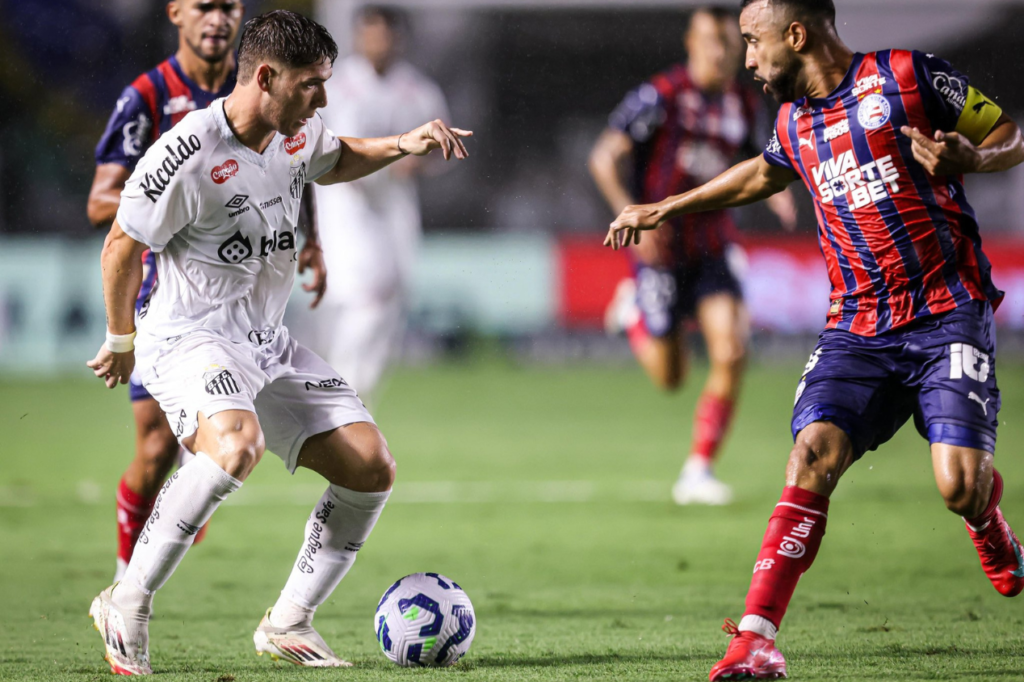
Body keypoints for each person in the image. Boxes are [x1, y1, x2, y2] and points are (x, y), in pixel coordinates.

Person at [603, 0, 1024, 678]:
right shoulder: (793, 121)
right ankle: (756, 638)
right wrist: (666, 207)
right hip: (856, 325)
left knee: (958, 487)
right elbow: (763, 171)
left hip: (946, 310)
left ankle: (985, 517)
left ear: (795, 35)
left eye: (753, 41)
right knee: (810, 456)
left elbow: (1008, 130)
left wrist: (974, 154)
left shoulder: (909, 77)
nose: (747, 58)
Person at [86, 9, 471, 674]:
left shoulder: (298, 132)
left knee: (370, 466)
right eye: (311, 85)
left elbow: (335, 155)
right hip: (188, 338)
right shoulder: (189, 151)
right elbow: (121, 241)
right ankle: (128, 598)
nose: (322, 98)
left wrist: (400, 143)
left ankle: (289, 621)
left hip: (265, 342)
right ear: (266, 77)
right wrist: (121, 336)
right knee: (237, 446)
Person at [87, 0, 328, 582]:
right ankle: (127, 580)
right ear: (176, 14)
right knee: (155, 451)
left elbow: (295, 168)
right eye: (205, 6)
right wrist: (173, 192)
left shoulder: (271, 96)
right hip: (167, 297)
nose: (218, 18)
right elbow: (101, 200)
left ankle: (172, 527)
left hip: (240, 303)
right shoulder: (148, 98)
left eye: (229, 7)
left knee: (210, 453)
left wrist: (311, 240)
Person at [589, 6, 796, 506]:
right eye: (710, 39)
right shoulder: (659, 97)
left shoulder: (744, 106)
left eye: (729, 41)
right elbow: (602, 157)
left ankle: (698, 469)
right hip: (659, 248)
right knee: (671, 377)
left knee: (732, 350)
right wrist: (629, 215)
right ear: (690, 41)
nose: (720, 51)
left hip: (714, 246)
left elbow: (759, 163)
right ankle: (634, 312)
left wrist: (782, 195)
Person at [300, 5, 452, 403]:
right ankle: (338, 391)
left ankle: (352, 389)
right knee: (361, 294)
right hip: (344, 200)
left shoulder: (418, 91)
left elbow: (443, 149)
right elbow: (309, 141)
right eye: (369, 34)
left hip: (395, 202)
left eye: (384, 34)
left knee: (394, 290)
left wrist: (417, 165)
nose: (377, 42)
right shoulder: (335, 85)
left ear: (398, 39)